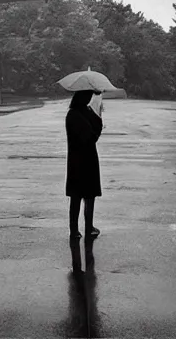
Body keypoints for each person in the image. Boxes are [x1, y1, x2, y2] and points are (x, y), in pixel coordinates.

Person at [65, 89, 104, 240]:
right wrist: (98, 121)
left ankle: (79, 228)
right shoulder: (76, 115)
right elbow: (91, 136)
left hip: (78, 160)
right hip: (84, 159)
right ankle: (80, 228)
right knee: (85, 196)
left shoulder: (77, 113)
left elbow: (95, 124)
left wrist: (96, 113)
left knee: (81, 196)